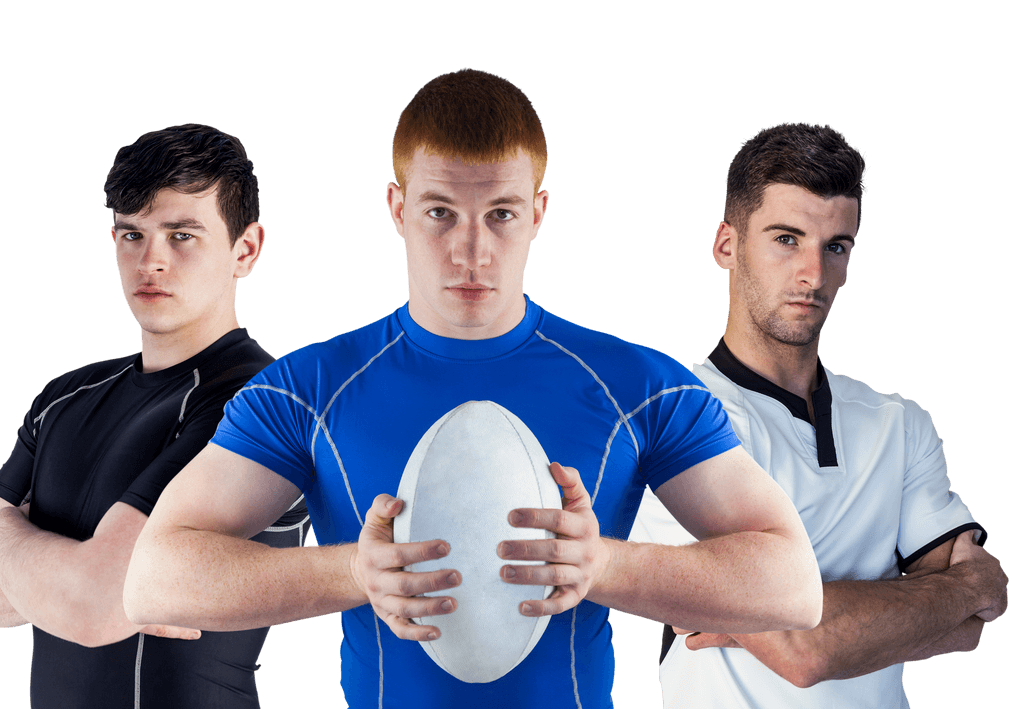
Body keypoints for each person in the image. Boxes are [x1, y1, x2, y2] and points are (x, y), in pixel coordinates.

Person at [124, 70, 822, 709]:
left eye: (501, 214)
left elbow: (793, 585)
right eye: (440, 213)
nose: (471, 251)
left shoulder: (637, 385)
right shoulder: (307, 389)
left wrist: (604, 564)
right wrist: (358, 573)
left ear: (539, 212)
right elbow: (156, 577)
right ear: (397, 208)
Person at [630, 122, 1008, 707]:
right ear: (727, 245)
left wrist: (788, 614)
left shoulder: (899, 425)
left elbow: (969, 629)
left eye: (835, 246)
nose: (813, 274)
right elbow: (806, 654)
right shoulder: (671, 420)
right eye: (786, 238)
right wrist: (960, 586)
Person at [0, 124, 310, 709]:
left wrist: (8, 531)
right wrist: (86, 580)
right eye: (132, 234)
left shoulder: (258, 403)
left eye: (182, 235)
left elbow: (91, 607)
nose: (151, 261)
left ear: (246, 250)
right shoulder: (65, 397)